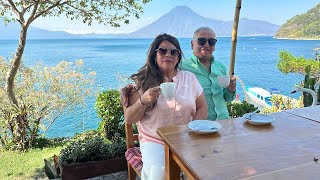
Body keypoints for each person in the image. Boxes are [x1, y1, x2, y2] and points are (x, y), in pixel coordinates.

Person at [124, 33, 207, 180]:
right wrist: (143, 100)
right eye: (163, 51)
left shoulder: (190, 78)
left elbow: (202, 108)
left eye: (174, 51)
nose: (168, 54)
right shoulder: (143, 81)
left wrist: (191, 129)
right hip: (154, 140)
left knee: (202, 170)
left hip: (186, 137)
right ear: (154, 55)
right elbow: (129, 118)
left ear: (178, 57)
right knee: (162, 173)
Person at [180, 27, 236, 120]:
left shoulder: (221, 67)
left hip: (224, 122)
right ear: (192, 44)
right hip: (199, 126)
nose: (206, 45)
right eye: (201, 41)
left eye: (211, 42)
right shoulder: (182, 68)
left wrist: (231, 89)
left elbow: (227, 98)